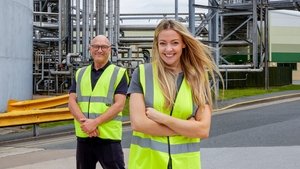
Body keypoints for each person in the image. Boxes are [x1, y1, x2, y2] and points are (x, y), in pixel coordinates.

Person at [127, 19, 222, 169]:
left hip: (185, 164)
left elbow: (203, 130)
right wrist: (187, 128)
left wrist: (161, 118)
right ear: (156, 45)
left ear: (184, 43)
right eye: (163, 43)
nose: (168, 49)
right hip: (148, 163)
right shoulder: (142, 74)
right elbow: (138, 123)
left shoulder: (198, 77)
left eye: (175, 43)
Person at [68, 35, 128, 169]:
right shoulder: (80, 73)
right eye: (96, 46)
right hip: (84, 136)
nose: (99, 50)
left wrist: (94, 123)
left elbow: (119, 105)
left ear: (110, 50)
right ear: (90, 49)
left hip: (108, 137)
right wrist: (85, 123)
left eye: (104, 47)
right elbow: (71, 101)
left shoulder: (119, 73)